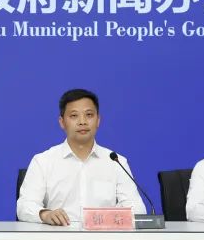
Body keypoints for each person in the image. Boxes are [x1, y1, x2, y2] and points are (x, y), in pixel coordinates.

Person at [16, 88, 145, 226]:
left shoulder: (116, 161)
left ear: (98, 120)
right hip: (58, 237)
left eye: (89, 115)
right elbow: (24, 206)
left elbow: (138, 209)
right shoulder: (43, 161)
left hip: (104, 237)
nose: (82, 121)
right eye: (74, 116)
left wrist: (105, 218)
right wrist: (45, 214)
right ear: (62, 122)